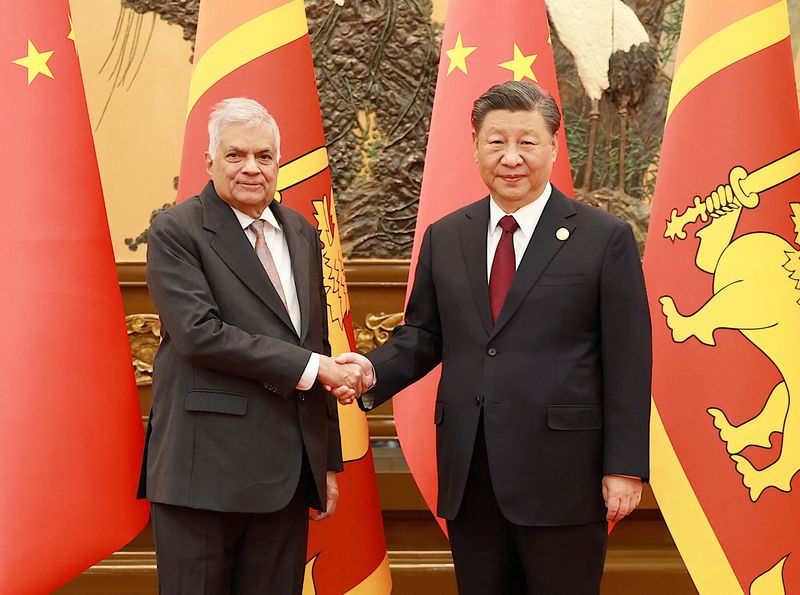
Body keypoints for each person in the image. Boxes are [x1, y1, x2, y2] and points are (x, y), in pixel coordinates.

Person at [337, 81, 652, 594]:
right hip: (472, 474)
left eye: (527, 142)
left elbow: (629, 361)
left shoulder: (603, 238)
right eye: (496, 141)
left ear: (553, 145)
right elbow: (424, 334)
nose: (511, 157)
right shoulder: (446, 236)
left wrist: (624, 467)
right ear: (476, 147)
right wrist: (371, 370)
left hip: (564, 478)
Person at [138, 97, 363, 595]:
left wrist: (324, 463)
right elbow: (200, 334)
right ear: (210, 162)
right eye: (236, 155)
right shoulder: (177, 230)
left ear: (278, 163)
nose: (251, 168)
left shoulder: (302, 232)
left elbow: (315, 341)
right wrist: (315, 367)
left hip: (285, 478)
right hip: (203, 474)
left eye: (264, 157)